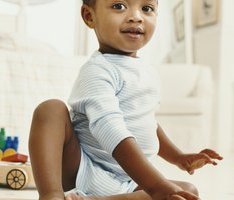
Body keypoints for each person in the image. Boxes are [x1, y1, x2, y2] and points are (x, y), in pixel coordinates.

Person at [28, 0, 223, 199]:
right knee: (50, 109)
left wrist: (178, 158)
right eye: (119, 6)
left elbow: (148, 124)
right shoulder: (98, 70)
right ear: (89, 16)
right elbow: (109, 128)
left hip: (128, 181)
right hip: (83, 168)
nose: (136, 16)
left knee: (187, 191)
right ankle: (52, 195)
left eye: (147, 8)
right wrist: (156, 186)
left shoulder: (148, 72)